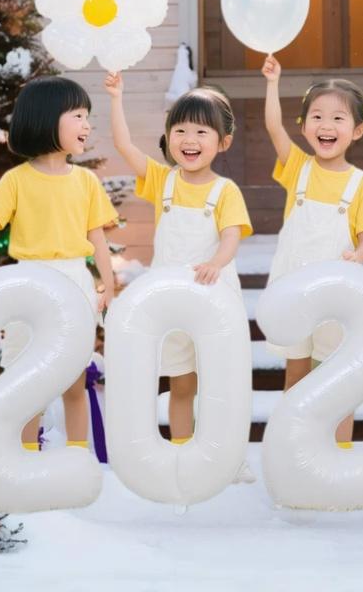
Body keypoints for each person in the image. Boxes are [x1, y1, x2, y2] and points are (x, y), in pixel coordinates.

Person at [0, 76, 116, 451]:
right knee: (28, 380)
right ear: (46, 118)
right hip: (30, 284)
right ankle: (26, 456)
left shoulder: (86, 181)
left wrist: (108, 287)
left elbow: (97, 240)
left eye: (87, 116)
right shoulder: (17, 180)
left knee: (74, 380)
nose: (87, 125)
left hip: (74, 282)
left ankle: (77, 456)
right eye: (78, 115)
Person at [105, 72, 255, 482]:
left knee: (221, 383)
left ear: (223, 142)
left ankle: (228, 458)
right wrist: (116, 97)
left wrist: (216, 264)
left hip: (214, 298)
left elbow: (231, 236)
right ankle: (182, 455)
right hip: (171, 304)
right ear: (169, 136)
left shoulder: (225, 191)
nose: (190, 139)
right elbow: (123, 145)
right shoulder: (163, 180)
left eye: (201, 132)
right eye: (181, 130)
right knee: (181, 382)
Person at [261, 54, 363, 447]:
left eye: (338, 118)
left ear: (357, 130)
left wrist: (359, 256)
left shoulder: (360, 183)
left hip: (336, 296)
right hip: (294, 292)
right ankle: (293, 447)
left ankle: (339, 450)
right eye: (317, 117)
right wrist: (272, 83)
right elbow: (273, 127)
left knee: (336, 375)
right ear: (303, 126)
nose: (326, 125)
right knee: (296, 373)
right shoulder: (298, 168)